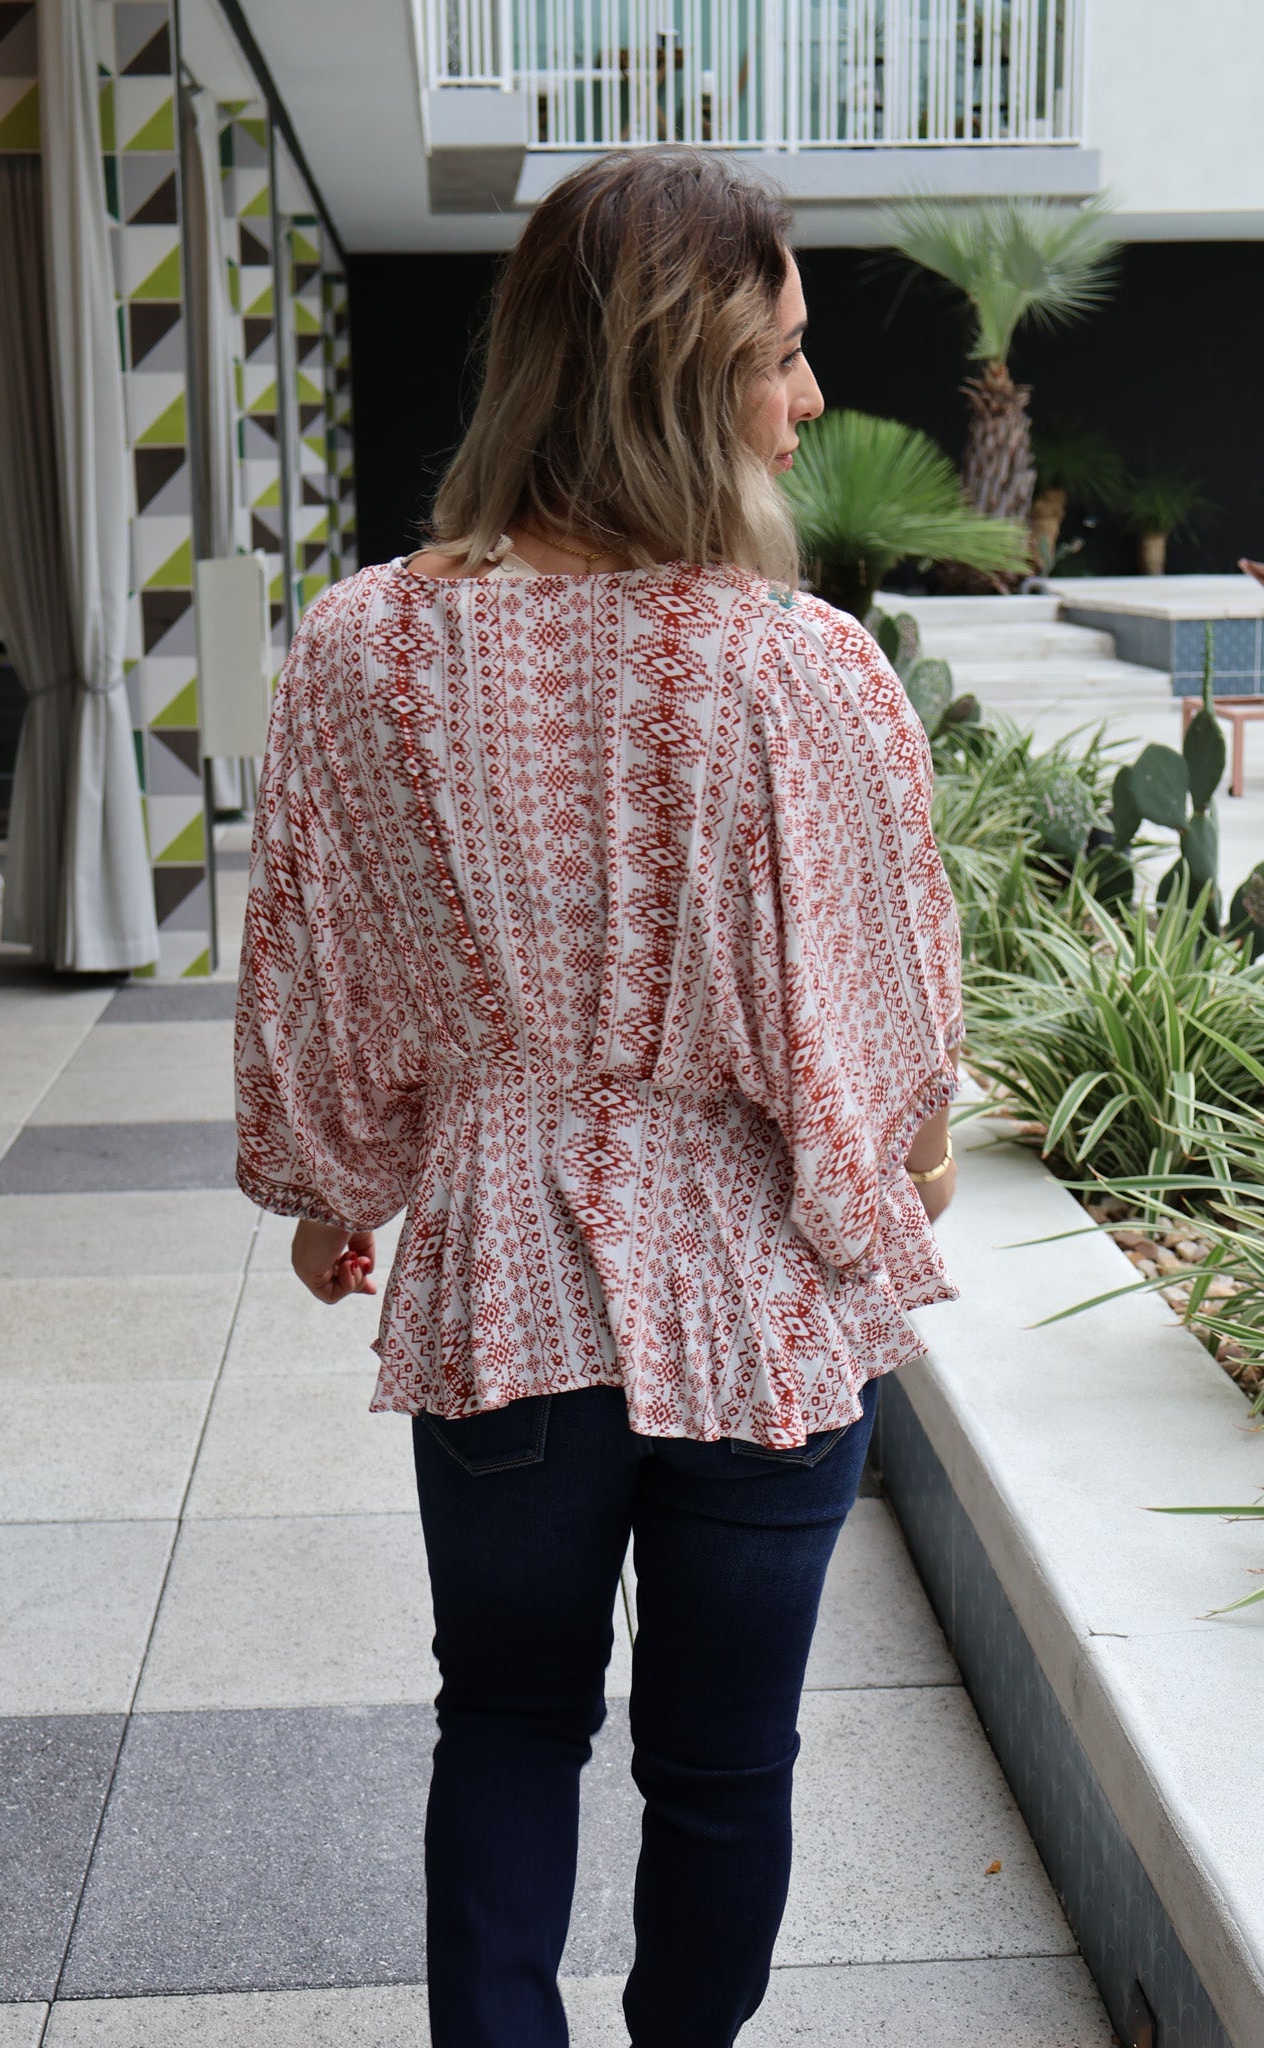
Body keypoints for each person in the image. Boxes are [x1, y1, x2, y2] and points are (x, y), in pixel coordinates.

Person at [234, 147, 962, 2048]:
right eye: (782, 357)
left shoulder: (365, 647)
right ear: (674, 365)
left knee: (506, 1726)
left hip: (502, 1289)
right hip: (762, 1310)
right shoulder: (801, 672)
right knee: (723, 1774)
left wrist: (342, 1185)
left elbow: (325, 952)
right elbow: (882, 1029)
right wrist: (900, 1166)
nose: (810, 400)